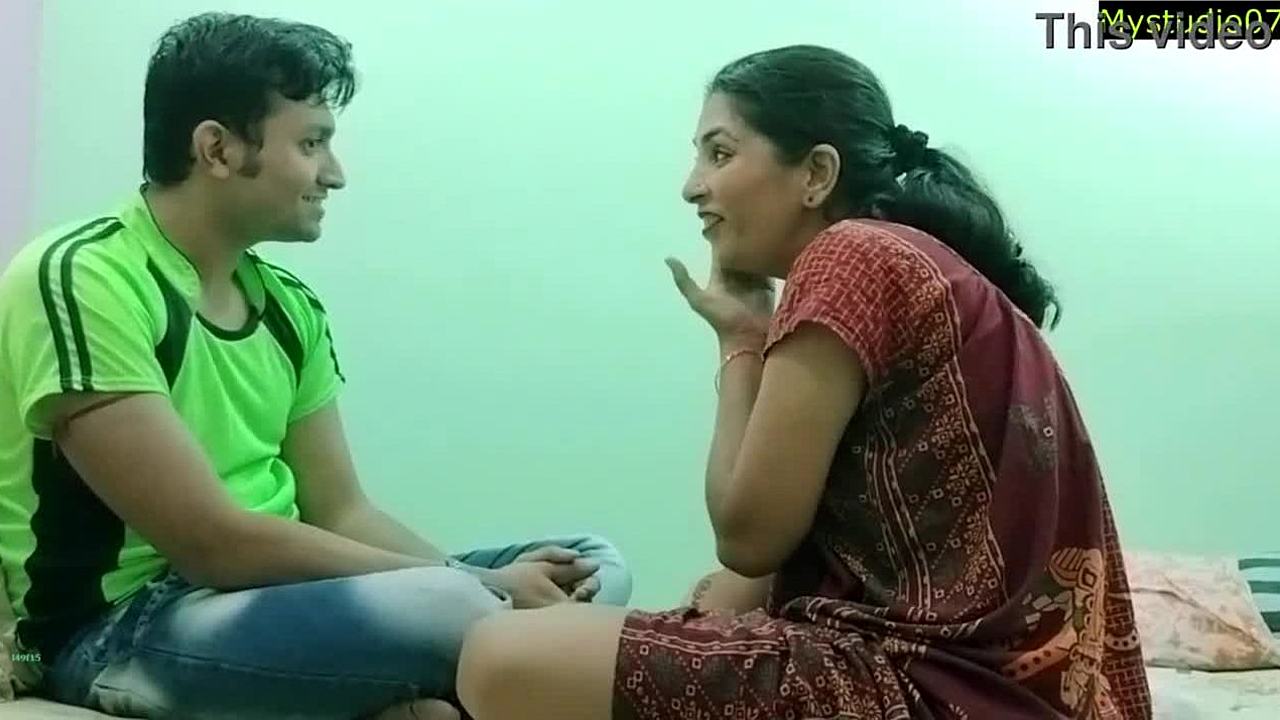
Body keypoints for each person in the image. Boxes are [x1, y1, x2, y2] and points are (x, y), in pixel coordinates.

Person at [455, 45, 1152, 719]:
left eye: (719, 153)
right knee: (695, 602)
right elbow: (755, 568)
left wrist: (740, 341)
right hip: (994, 693)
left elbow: (748, 535)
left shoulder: (850, 255)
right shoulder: (924, 270)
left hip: (932, 690)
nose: (692, 185)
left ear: (817, 173)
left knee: (499, 656)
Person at [0, 12, 631, 720]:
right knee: (463, 605)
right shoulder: (84, 277)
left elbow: (342, 512)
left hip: (268, 596)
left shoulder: (289, 306)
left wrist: (487, 580)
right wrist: (474, 587)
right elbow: (212, 544)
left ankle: (418, 674)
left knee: (588, 561)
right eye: (311, 143)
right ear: (217, 149)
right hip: (120, 631)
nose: (335, 174)